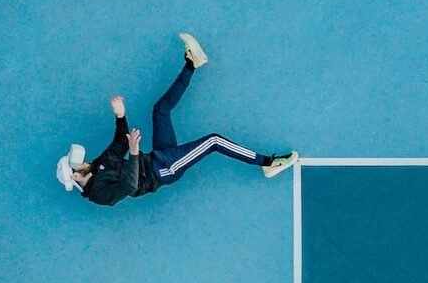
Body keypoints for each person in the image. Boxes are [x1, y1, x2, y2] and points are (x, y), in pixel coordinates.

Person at [56, 33, 297, 206]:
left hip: (157, 156)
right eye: (77, 164)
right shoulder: (99, 194)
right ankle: (267, 163)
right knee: (213, 141)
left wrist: (120, 116)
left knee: (160, 109)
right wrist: (135, 151)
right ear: (75, 176)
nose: (83, 161)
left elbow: (119, 144)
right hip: (164, 169)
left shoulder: (98, 165)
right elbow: (129, 186)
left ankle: (192, 63)